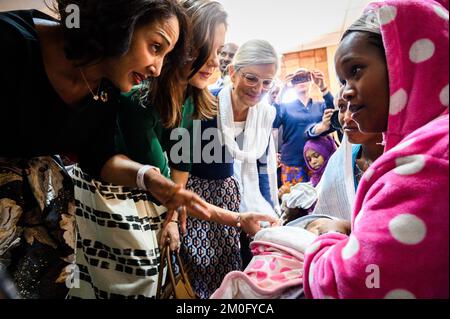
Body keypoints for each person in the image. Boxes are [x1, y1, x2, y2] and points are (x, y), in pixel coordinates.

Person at [0, 0, 211, 299]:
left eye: (165, 56)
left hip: (39, 223)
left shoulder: (106, 88)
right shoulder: (10, 45)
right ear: (120, 22)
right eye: (155, 47)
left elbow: (99, 156)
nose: (157, 68)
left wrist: (150, 179)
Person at [303, 0, 449, 298]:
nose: (345, 90)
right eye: (342, 81)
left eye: (356, 70)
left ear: (403, 63)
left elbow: (355, 283)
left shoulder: (429, 159)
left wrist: (324, 241)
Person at [311, 90, 384, 220]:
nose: (346, 117)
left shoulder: (404, 163)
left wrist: (348, 227)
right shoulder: (339, 162)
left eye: (357, 106)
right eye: (342, 107)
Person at [273, 68, 334, 188]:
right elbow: (273, 122)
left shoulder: (320, 106)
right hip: (292, 162)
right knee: (294, 201)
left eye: (305, 78)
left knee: (319, 198)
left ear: (311, 80)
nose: (301, 82)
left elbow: (334, 113)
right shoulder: (285, 107)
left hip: (318, 162)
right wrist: (283, 90)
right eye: (297, 79)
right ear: (292, 84)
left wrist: (323, 87)